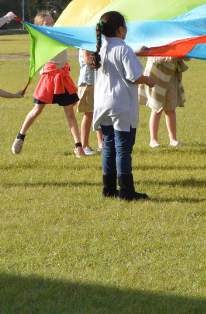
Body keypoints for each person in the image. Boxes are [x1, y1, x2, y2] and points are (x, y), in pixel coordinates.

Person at [87, 11, 156, 200]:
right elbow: (135, 76)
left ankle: (108, 189)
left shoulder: (99, 49)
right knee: (123, 148)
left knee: (108, 146)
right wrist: (150, 80)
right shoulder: (124, 49)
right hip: (121, 105)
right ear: (120, 29)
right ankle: (126, 191)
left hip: (102, 105)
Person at [11, 11, 85, 157]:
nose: (51, 25)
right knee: (37, 110)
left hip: (63, 77)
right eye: (47, 23)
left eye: (52, 22)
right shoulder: (43, 38)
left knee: (70, 113)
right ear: (40, 27)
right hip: (49, 78)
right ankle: (20, 137)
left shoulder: (59, 33)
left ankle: (79, 147)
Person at [139, 56, 188, 147]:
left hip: (172, 78)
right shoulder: (156, 42)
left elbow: (187, 56)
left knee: (171, 109)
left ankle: (173, 139)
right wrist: (171, 57)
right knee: (156, 108)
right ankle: (153, 140)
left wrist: (184, 55)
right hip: (156, 78)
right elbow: (154, 58)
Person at [77, 50, 104, 155]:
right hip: (89, 80)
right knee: (89, 113)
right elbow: (87, 59)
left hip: (98, 79)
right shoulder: (87, 37)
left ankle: (101, 144)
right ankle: (85, 146)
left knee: (100, 111)